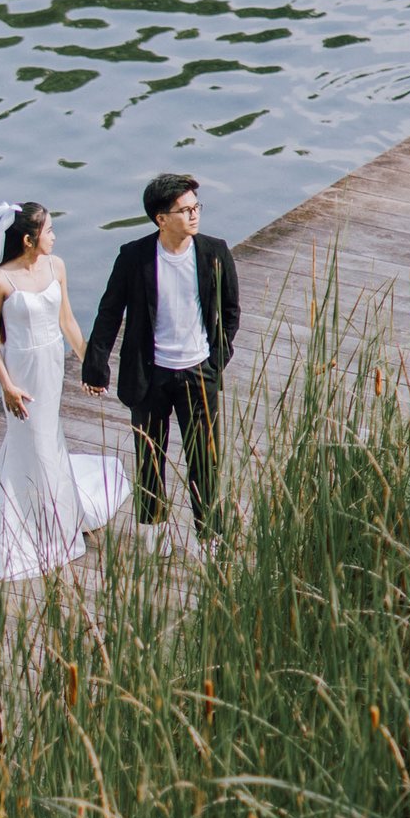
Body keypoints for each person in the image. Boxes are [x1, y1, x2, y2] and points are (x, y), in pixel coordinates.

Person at [0, 200, 129, 580]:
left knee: (49, 438)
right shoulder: (1, 281)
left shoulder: (56, 266)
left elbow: (66, 320)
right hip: (21, 370)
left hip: (50, 365)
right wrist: (8, 386)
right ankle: (23, 526)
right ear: (29, 239)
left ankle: (57, 516)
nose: (54, 236)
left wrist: (88, 364)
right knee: (27, 439)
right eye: (49, 231)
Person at [82, 173, 239, 549]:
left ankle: (209, 537)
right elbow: (109, 312)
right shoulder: (134, 256)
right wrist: (96, 366)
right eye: (185, 210)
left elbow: (231, 312)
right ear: (161, 218)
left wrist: (218, 358)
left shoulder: (214, 252)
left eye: (196, 207)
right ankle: (153, 533)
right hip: (150, 374)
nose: (194, 215)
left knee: (204, 458)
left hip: (200, 370)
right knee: (150, 454)